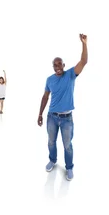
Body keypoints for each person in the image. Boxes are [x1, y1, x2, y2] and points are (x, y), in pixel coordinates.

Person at [37, 34, 88, 181]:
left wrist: (84, 43)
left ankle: (69, 167)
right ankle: (52, 160)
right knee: (51, 142)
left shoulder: (70, 74)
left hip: (66, 119)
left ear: (64, 65)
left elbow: (84, 61)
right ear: (53, 67)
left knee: (67, 145)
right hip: (51, 117)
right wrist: (40, 114)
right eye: (55, 65)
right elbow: (45, 97)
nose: (58, 67)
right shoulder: (49, 79)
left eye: (60, 64)